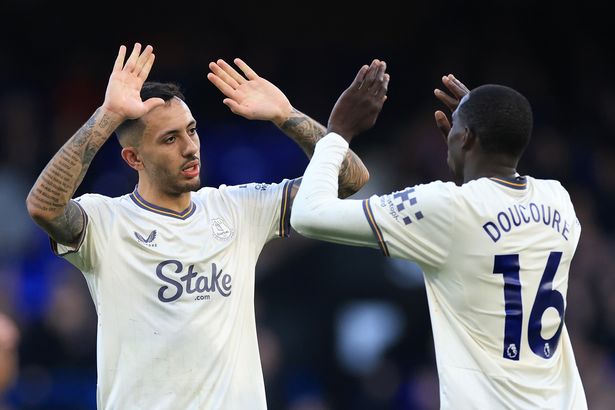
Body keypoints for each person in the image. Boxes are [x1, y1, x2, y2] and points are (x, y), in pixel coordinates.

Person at [25, 42, 388, 409]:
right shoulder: (106, 221)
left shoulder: (238, 207)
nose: (190, 147)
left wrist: (285, 114)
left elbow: (349, 180)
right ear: (133, 157)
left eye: (192, 130)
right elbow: (44, 207)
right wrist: (109, 114)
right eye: (170, 138)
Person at [291, 74, 587, 408]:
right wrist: (478, 143)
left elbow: (308, 215)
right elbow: (499, 199)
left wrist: (338, 132)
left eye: (456, 127)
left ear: (466, 137)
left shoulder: (447, 208)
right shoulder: (558, 199)